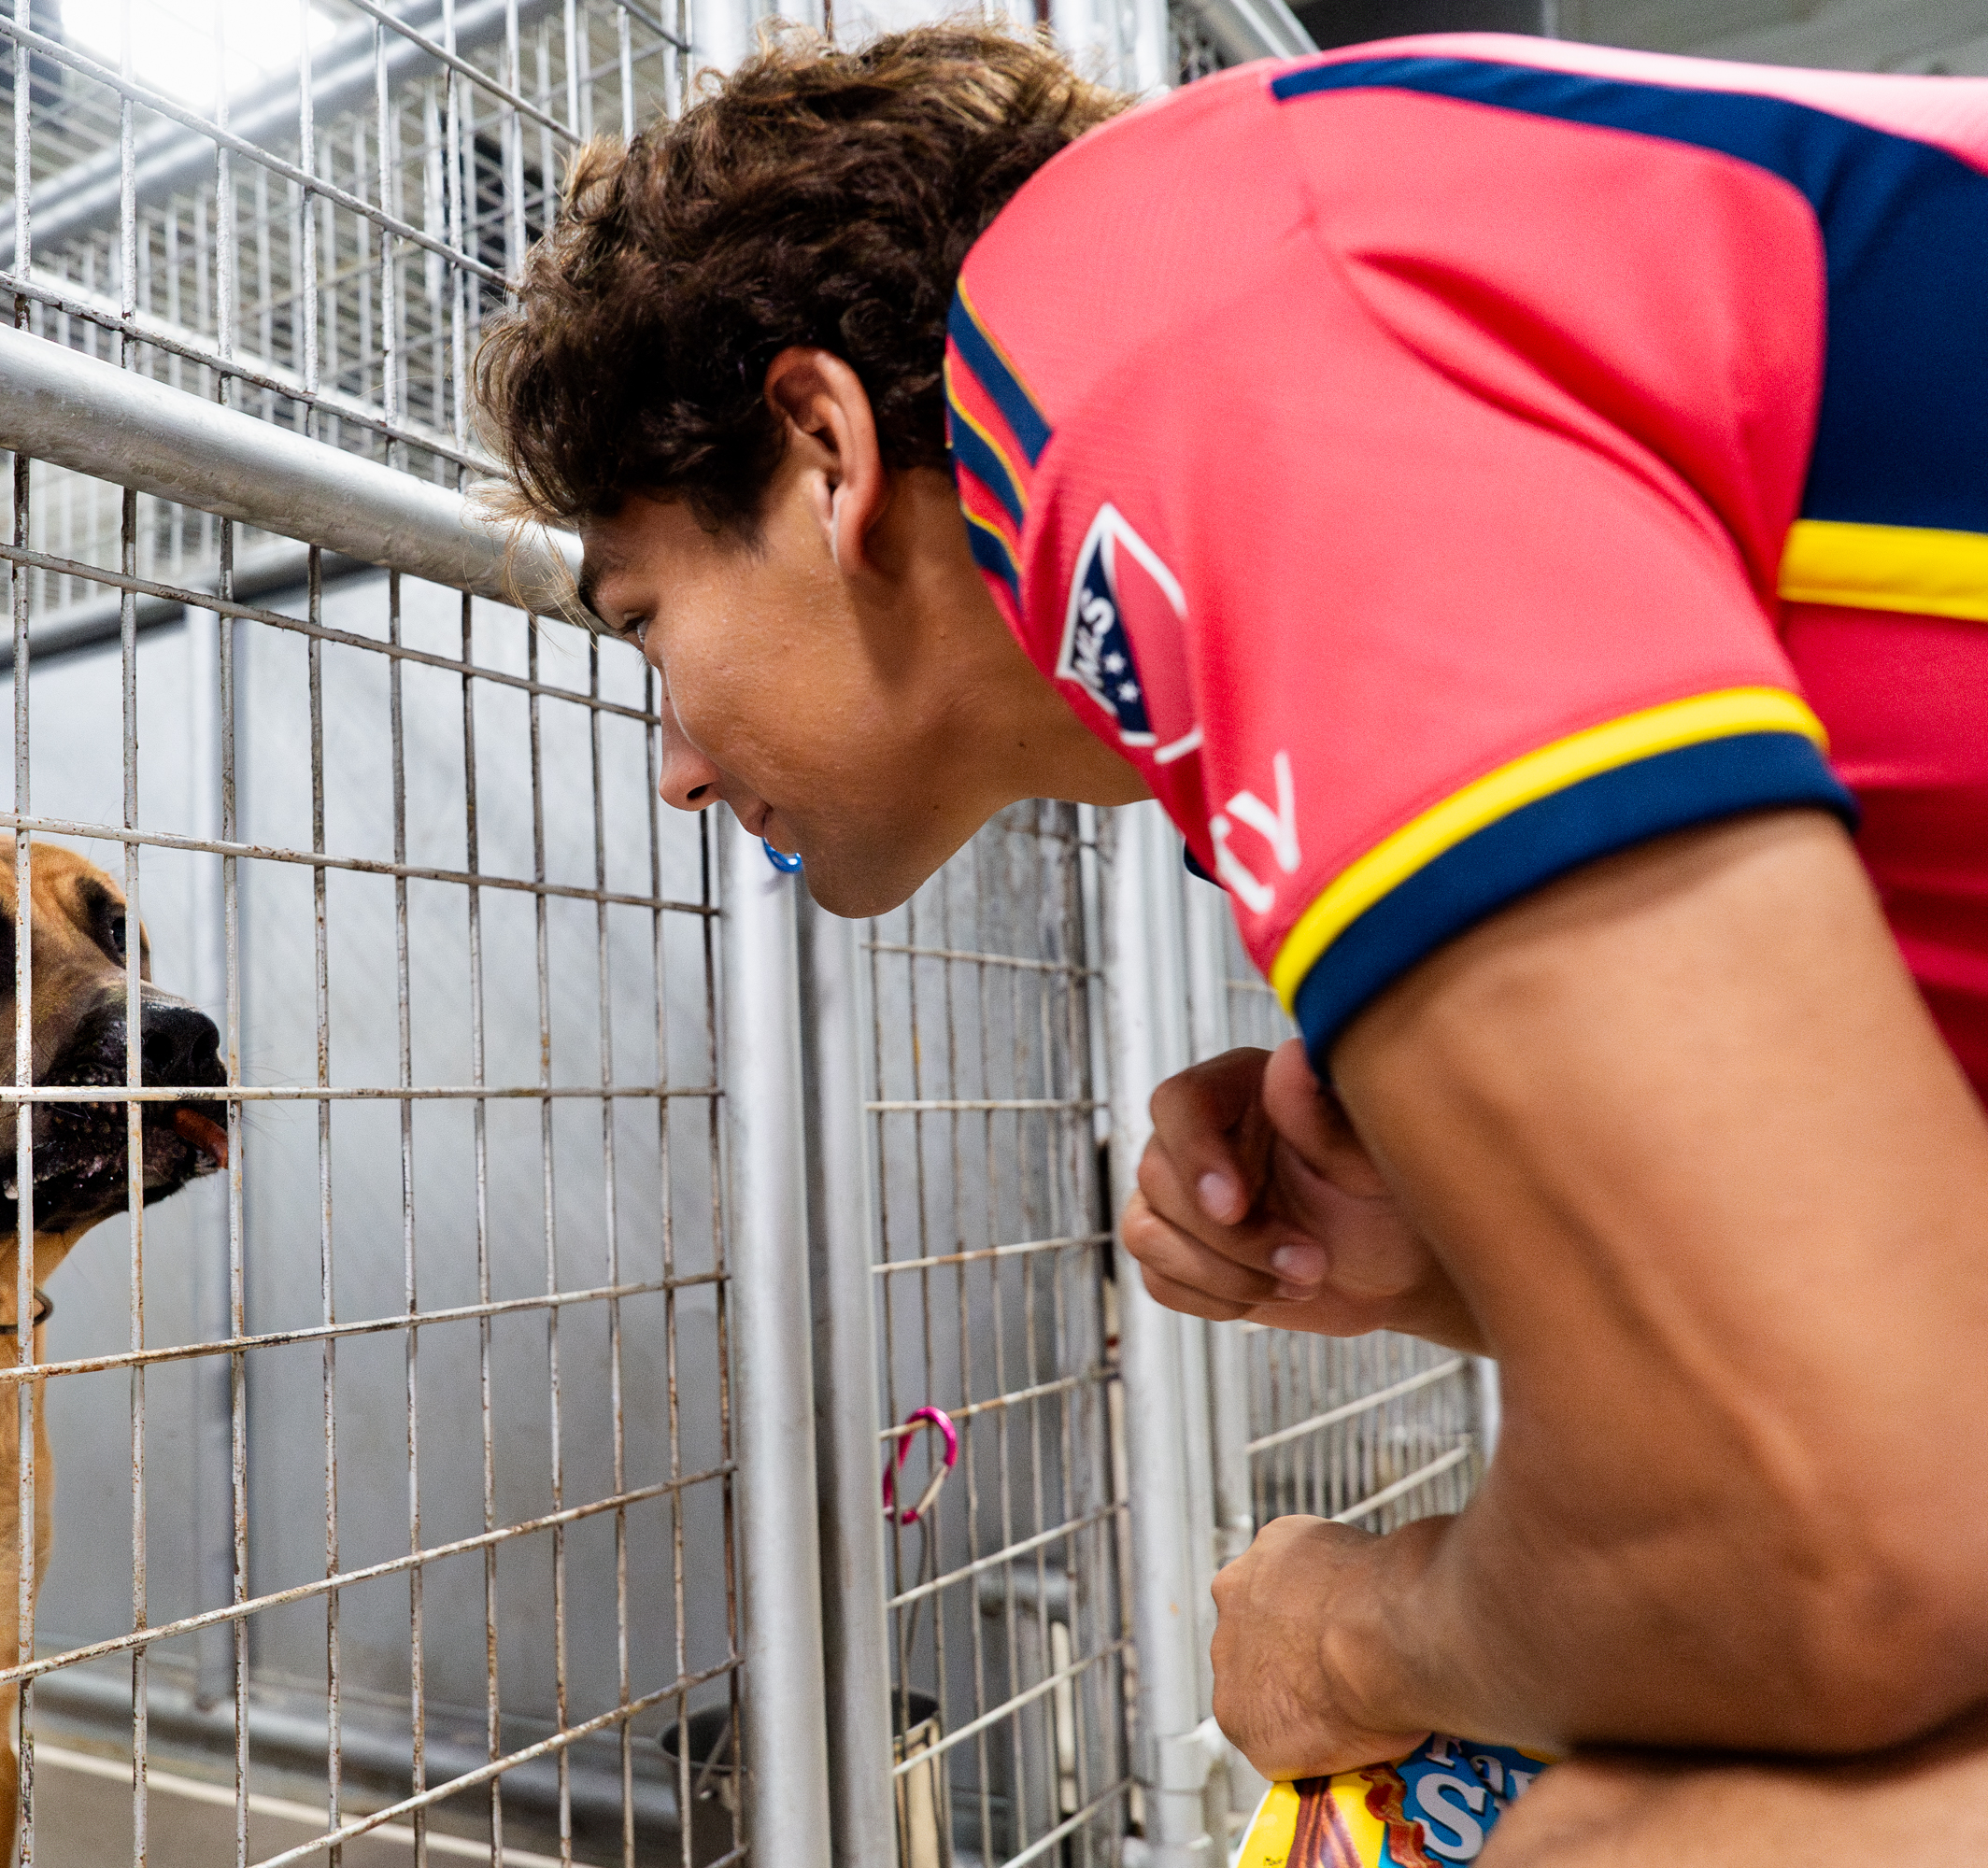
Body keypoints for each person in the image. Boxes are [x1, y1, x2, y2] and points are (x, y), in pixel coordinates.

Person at [472, 21, 1988, 1861]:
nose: (679, 771)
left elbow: (1834, 1533)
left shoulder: (1162, 336)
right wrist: (1455, 1261)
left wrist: (1357, 1633)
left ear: (819, 448)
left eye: (647, 630)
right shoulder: (1253, 311)